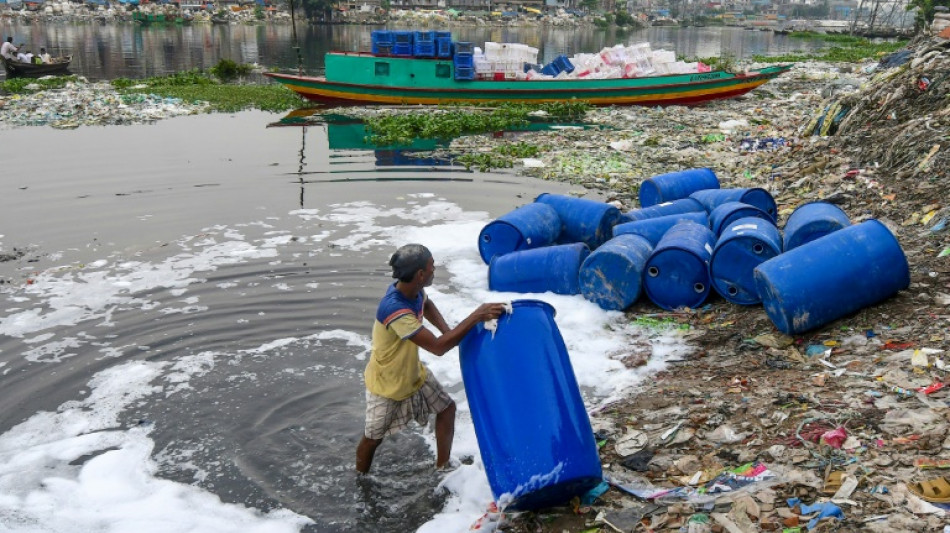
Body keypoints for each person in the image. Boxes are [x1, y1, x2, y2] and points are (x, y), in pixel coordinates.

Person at [356, 244, 506, 474]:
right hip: (387, 384)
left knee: (447, 409)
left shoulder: (412, 291)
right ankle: (360, 479)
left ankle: (442, 467)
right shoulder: (395, 311)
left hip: (413, 374)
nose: (434, 269)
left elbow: (426, 304)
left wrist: (447, 330)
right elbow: (438, 348)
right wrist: (476, 316)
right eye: (432, 266)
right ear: (420, 274)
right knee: (372, 439)